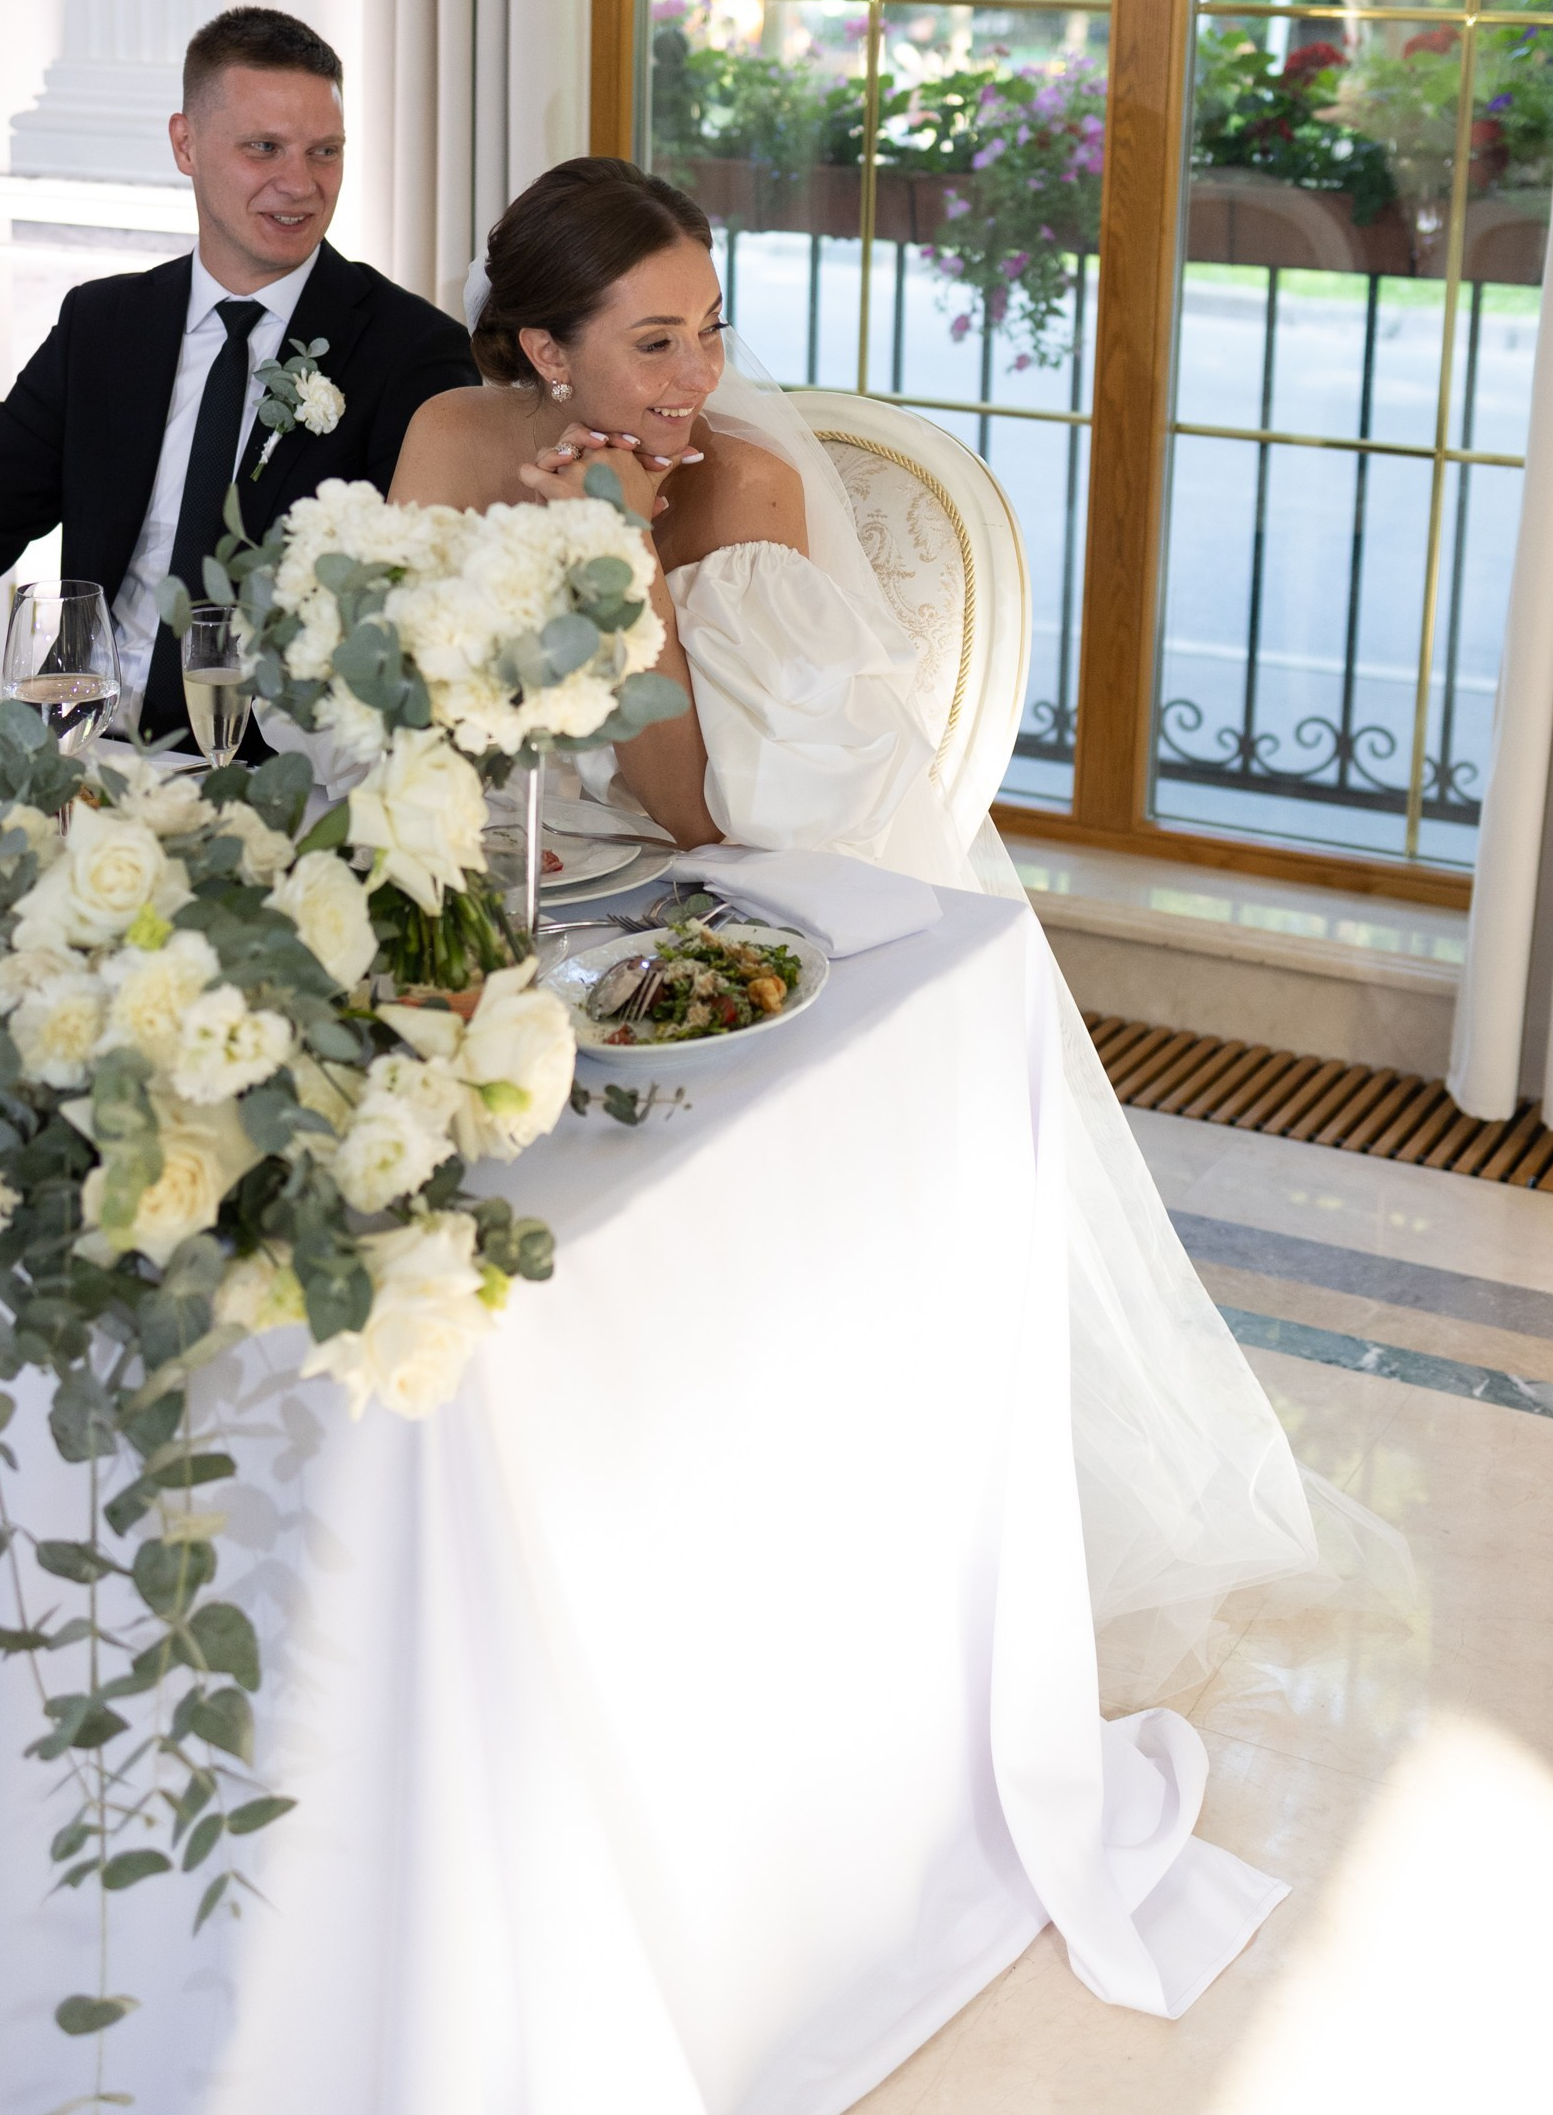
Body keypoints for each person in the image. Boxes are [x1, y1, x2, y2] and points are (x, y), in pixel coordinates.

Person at [396, 152, 1402, 1693]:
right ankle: (469, 1544)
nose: (699, 376)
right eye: (652, 341)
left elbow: (702, 817)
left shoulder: (746, 486)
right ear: (545, 350)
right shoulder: (452, 439)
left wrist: (620, 577)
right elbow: (394, 723)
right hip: (481, 899)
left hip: (681, 905)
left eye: (711, 328)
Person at [0, 7, 479, 739]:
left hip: (284, 774)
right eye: (263, 148)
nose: (302, 184)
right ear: (184, 144)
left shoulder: (411, 352)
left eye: (325, 151)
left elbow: (410, 617)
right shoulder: (103, 327)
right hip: (79, 743)